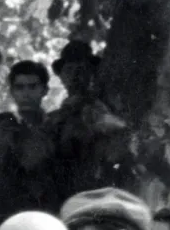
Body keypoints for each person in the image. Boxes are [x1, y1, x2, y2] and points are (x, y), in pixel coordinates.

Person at [0, 60, 57, 230]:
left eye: (32, 87)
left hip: (45, 219)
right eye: (20, 87)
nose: (26, 93)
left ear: (45, 90)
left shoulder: (55, 127)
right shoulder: (1, 125)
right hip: (6, 220)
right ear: (12, 92)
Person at [47, 41, 129, 201]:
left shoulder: (92, 106)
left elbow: (117, 126)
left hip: (86, 186)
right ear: (62, 76)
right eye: (69, 70)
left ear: (91, 73)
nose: (75, 76)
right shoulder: (56, 115)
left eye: (82, 69)